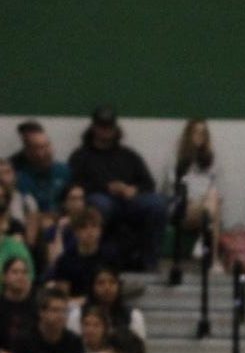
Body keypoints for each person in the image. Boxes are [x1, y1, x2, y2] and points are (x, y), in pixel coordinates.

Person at [68, 106, 168, 272]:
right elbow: (74, 184)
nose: (106, 130)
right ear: (93, 128)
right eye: (102, 126)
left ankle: (150, 263)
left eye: (109, 126)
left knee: (157, 203)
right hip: (99, 200)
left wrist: (133, 190)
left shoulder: (129, 155)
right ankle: (97, 261)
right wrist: (106, 188)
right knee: (101, 204)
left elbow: (148, 183)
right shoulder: (81, 156)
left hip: (130, 202)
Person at [169, 120, 222, 257]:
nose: (200, 136)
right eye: (196, 132)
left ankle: (204, 240)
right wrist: (191, 200)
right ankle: (212, 256)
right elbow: (173, 188)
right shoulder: (177, 158)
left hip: (205, 206)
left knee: (214, 200)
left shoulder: (211, 161)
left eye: (203, 133)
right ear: (188, 135)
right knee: (213, 208)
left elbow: (214, 187)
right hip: (183, 209)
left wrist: (207, 200)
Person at [12, 121, 71, 216]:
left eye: (47, 145)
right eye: (39, 148)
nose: (47, 152)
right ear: (28, 152)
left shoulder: (64, 171)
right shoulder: (20, 177)